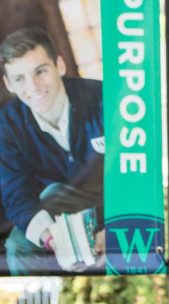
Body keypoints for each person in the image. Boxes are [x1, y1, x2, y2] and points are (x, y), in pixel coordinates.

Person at [0, 27, 104, 275]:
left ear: (60, 66)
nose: (33, 86)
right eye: (20, 78)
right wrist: (52, 240)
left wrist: (114, 227)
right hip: (58, 218)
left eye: (41, 71)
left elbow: (137, 169)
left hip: (111, 203)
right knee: (18, 246)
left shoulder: (103, 98)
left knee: (52, 192)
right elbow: (16, 195)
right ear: (8, 84)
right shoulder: (6, 126)